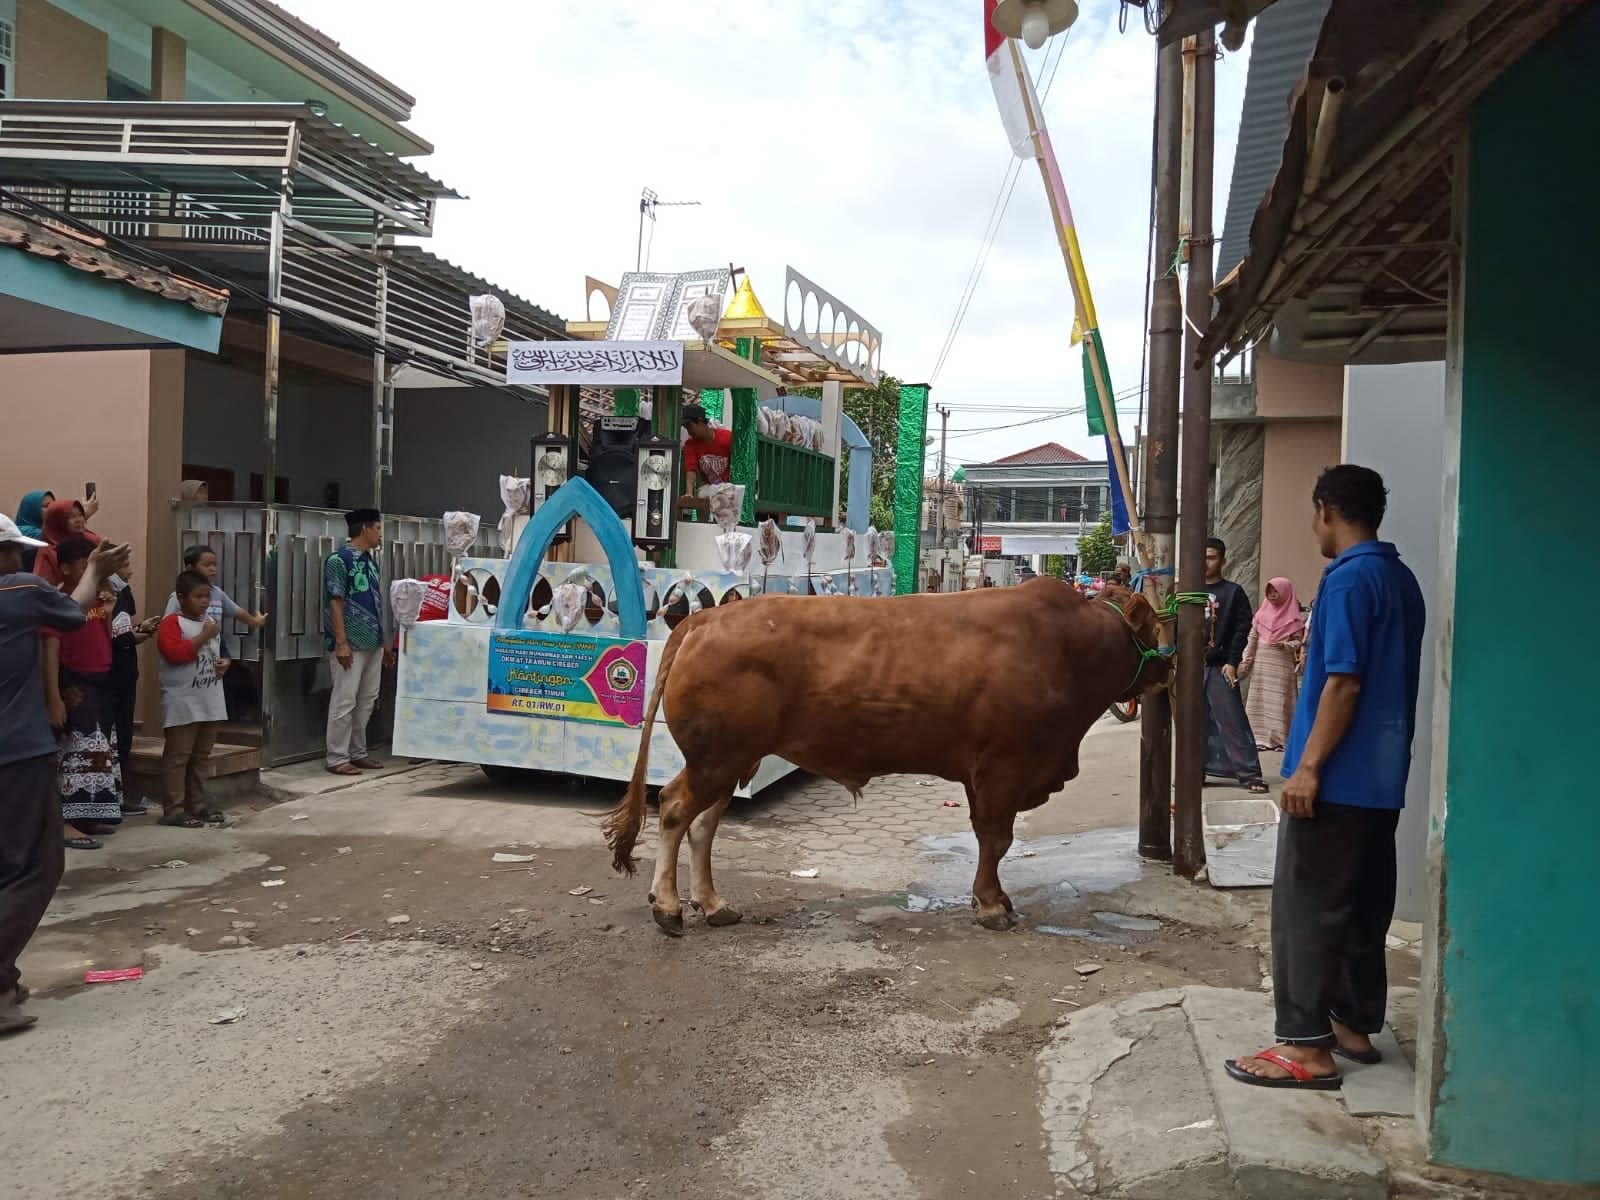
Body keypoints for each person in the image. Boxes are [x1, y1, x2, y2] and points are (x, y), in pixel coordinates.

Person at [1226, 465, 1425, 1091]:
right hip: (1382, 780)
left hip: (1334, 780)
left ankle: (1307, 1048)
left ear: (1325, 511)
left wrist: (1307, 767)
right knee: (1363, 905)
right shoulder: (1401, 579)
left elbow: (1343, 681)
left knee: (1306, 910)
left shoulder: (1346, 581)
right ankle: (1353, 1027)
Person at [0, 516, 129, 1035]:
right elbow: (74, 613)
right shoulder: (21, 589)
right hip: (18, 752)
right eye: (16, 551)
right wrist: (95, 570)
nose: (25, 560)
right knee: (38, 866)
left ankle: (6, 980)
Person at [41, 537, 126, 848]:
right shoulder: (60, 602)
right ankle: (66, 820)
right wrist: (54, 696)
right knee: (75, 752)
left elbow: (101, 641)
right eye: (84, 564)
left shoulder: (97, 601)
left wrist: (108, 611)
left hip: (99, 681)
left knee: (97, 751)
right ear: (64, 568)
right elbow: (50, 649)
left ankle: (88, 815)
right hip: (73, 683)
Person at [155, 570, 228, 828]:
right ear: (181, 597)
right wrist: (205, 636)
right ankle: (173, 809)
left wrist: (224, 663)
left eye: (207, 596)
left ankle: (197, 805)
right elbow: (176, 654)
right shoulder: (170, 623)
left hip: (209, 698)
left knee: (201, 756)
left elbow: (218, 651)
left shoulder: (209, 622)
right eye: (198, 596)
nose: (205, 601)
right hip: (183, 701)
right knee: (178, 756)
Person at [324, 508, 393, 776]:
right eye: (377, 528)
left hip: (372, 641)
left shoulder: (369, 561)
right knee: (344, 700)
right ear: (365, 528)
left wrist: (384, 642)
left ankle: (357, 751)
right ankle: (337, 756)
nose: (379, 534)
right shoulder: (339, 561)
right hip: (350, 642)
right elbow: (335, 601)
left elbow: (376, 601)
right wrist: (341, 642)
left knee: (366, 699)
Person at [1202, 538, 1269, 794]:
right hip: (1191, 668)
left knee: (1232, 720)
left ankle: (1249, 773)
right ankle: (1195, 771)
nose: (1206, 563)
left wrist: (1233, 662)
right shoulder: (1186, 591)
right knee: (1192, 723)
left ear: (1222, 560)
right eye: (1202, 557)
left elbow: (1242, 629)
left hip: (1221, 667)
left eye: (1211, 557)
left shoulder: (1233, 592)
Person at [108, 564, 160, 815]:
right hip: (114, 678)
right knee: (118, 740)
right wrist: (135, 636)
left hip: (124, 676)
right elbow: (116, 638)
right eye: (125, 565)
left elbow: (121, 631)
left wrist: (138, 630)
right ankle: (117, 799)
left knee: (123, 738)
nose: (130, 570)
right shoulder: (111, 594)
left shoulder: (121, 593)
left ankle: (121, 797)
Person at [1240, 576, 1305, 751]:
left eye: (1276, 591)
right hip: (1262, 666)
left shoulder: (1294, 620)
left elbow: (1299, 642)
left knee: (1280, 701)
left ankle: (1281, 740)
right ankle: (1259, 738)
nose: (1272, 595)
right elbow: (1252, 639)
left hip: (1281, 666)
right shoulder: (1260, 615)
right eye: (1270, 591)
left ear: (1286, 593)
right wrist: (1247, 660)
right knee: (1260, 699)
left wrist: (1285, 645)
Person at [31, 497, 101, 586]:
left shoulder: (92, 539)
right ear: (57, 521)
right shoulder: (48, 551)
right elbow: (42, 587)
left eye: (80, 515)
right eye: (71, 517)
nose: (78, 520)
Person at [679, 403, 735, 503]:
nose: (688, 431)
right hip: (709, 487)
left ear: (700, 422)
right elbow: (690, 469)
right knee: (702, 494)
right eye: (686, 428)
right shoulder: (690, 444)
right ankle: (703, 520)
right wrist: (689, 493)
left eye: (689, 426)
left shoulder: (727, 438)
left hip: (730, 486)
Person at [13, 491, 51, 572]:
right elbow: (50, 536)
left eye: (53, 505)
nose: (52, 509)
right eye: (46, 506)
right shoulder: (22, 531)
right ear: (32, 508)